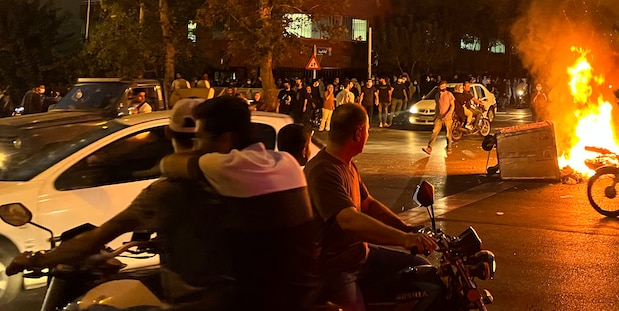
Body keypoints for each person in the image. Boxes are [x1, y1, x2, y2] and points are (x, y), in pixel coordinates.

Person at [5, 99, 235, 310]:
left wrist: (36, 259)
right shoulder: (237, 181)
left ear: (167, 132)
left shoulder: (169, 191)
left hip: (194, 301)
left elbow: (93, 240)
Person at [160, 96, 318, 310]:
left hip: (260, 301)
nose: (197, 145)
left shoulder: (227, 166)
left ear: (226, 139)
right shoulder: (287, 161)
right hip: (303, 292)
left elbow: (169, 163)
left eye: (200, 137)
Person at [304, 103, 437, 310]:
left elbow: (367, 204)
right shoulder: (323, 171)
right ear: (358, 133)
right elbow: (349, 220)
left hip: (361, 255)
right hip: (337, 267)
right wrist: (403, 239)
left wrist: (408, 229)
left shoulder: (346, 164)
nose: (368, 134)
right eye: (367, 130)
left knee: (423, 272)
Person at [422, 79, 455, 156]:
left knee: (448, 133)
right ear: (439, 86)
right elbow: (437, 106)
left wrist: (449, 113)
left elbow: (453, 105)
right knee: (434, 132)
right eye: (442, 85)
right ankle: (429, 148)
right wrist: (435, 115)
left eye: (444, 85)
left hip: (447, 117)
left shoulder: (449, 94)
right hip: (439, 117)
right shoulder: (437, 95)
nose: (443, 87)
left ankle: (449, 147)